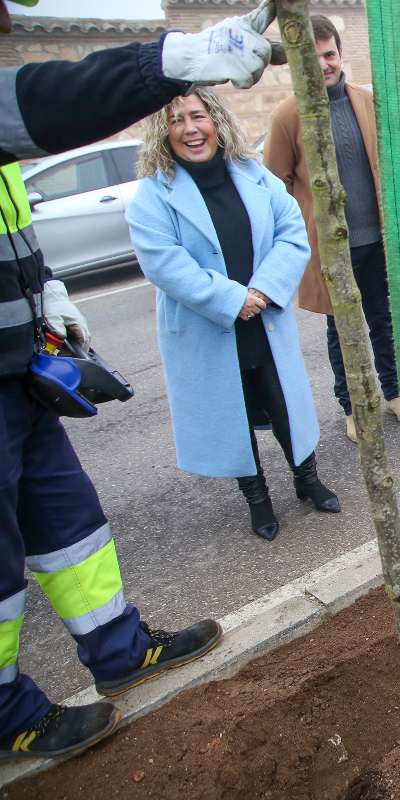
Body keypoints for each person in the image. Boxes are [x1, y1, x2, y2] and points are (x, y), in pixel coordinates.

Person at [0, 0, 276, 761]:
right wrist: (169, 61)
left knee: (72, 526)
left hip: (20, 370)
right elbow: (47, 101)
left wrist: (42, 289)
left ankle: (119, 651)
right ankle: (5, 716)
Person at [129, 89, 340, 543]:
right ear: (162, 133)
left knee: (282, 402)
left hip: (263, 318)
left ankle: (308, 480)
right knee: (235, 410)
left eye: (197, 116)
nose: (189, 128)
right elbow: (164, 262)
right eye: (175, 120)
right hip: (213, 326)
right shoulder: (153, 195)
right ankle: (257, 497)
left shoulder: (252, 174)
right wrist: (231, 299)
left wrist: (262, 289)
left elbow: (290, 232)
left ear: (217, 121)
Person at [264, 15, 397, 443]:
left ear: (340, 54)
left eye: (330, 55)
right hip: (330, 249)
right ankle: (354, 407)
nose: (324, 65)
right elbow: (276, 180)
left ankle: (393, 393)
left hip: (374, 240)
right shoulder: (289, 115)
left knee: (381, 319)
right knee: (341, 331)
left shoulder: (363, 101)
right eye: (313, 57)